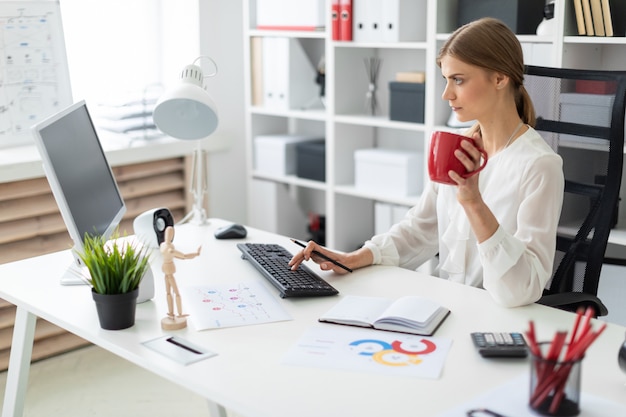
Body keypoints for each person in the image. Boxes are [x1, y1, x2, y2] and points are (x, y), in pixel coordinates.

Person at [289, 17, 564, 308]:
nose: (446, 94)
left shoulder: (539, 165)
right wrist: (352, 257)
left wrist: (473, 203)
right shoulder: (458, 147)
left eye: (458, 80)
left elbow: (523, 290)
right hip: (447, 305)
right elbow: (420, 230)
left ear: (499, 78)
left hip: (498, 318)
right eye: (446, 80)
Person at [160, 226, 201, 329]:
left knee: (168, 292)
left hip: (165, 268)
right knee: (176, 293)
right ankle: (179, 313)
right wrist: (196, 254)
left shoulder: (162, 245)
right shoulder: (170, 249)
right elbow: (184, 256)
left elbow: (180, 257)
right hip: (169, 269)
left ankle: (171, 313)